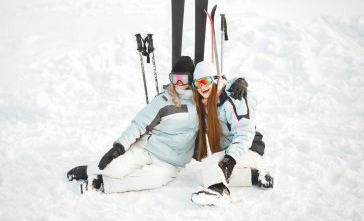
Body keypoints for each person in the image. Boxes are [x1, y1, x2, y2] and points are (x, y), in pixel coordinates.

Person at [67, 56, 199, 194]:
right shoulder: (164, 100)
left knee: (153, 179)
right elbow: (139, 124)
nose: (178, 83)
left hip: (171, 163)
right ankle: (89, 170)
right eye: (174, 78)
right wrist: (119, 147)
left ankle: (101, 183)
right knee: (116, 169)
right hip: (147, 150)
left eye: (183, 79)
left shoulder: (200, 104)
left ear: (191, 79)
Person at [190, 61, 274, 206]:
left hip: (248, 150)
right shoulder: (205, 103)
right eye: (198, 83)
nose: (202, 86)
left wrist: (229, 160)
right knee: (204, 175)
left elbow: (244, 132)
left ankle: (220, 192)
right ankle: (254, 176)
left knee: (211, 168)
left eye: (205, 81)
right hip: (231, 152)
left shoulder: (233, 97)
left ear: (215, 79)